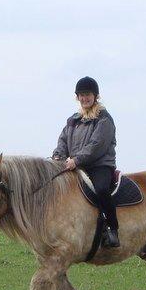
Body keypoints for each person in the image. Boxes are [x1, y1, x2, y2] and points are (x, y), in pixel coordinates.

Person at [52, 76, 119, 248]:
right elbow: (63, 140)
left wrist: (76, 160)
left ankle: (112, 228)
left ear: (95, 96)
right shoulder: (73, 120)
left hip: (100, 165)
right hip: (77, 164)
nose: (84, 98)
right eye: (81, 95)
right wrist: (58, 156)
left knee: (102, 188)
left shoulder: (104, 119)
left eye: (88, 94)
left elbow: (96, 146)